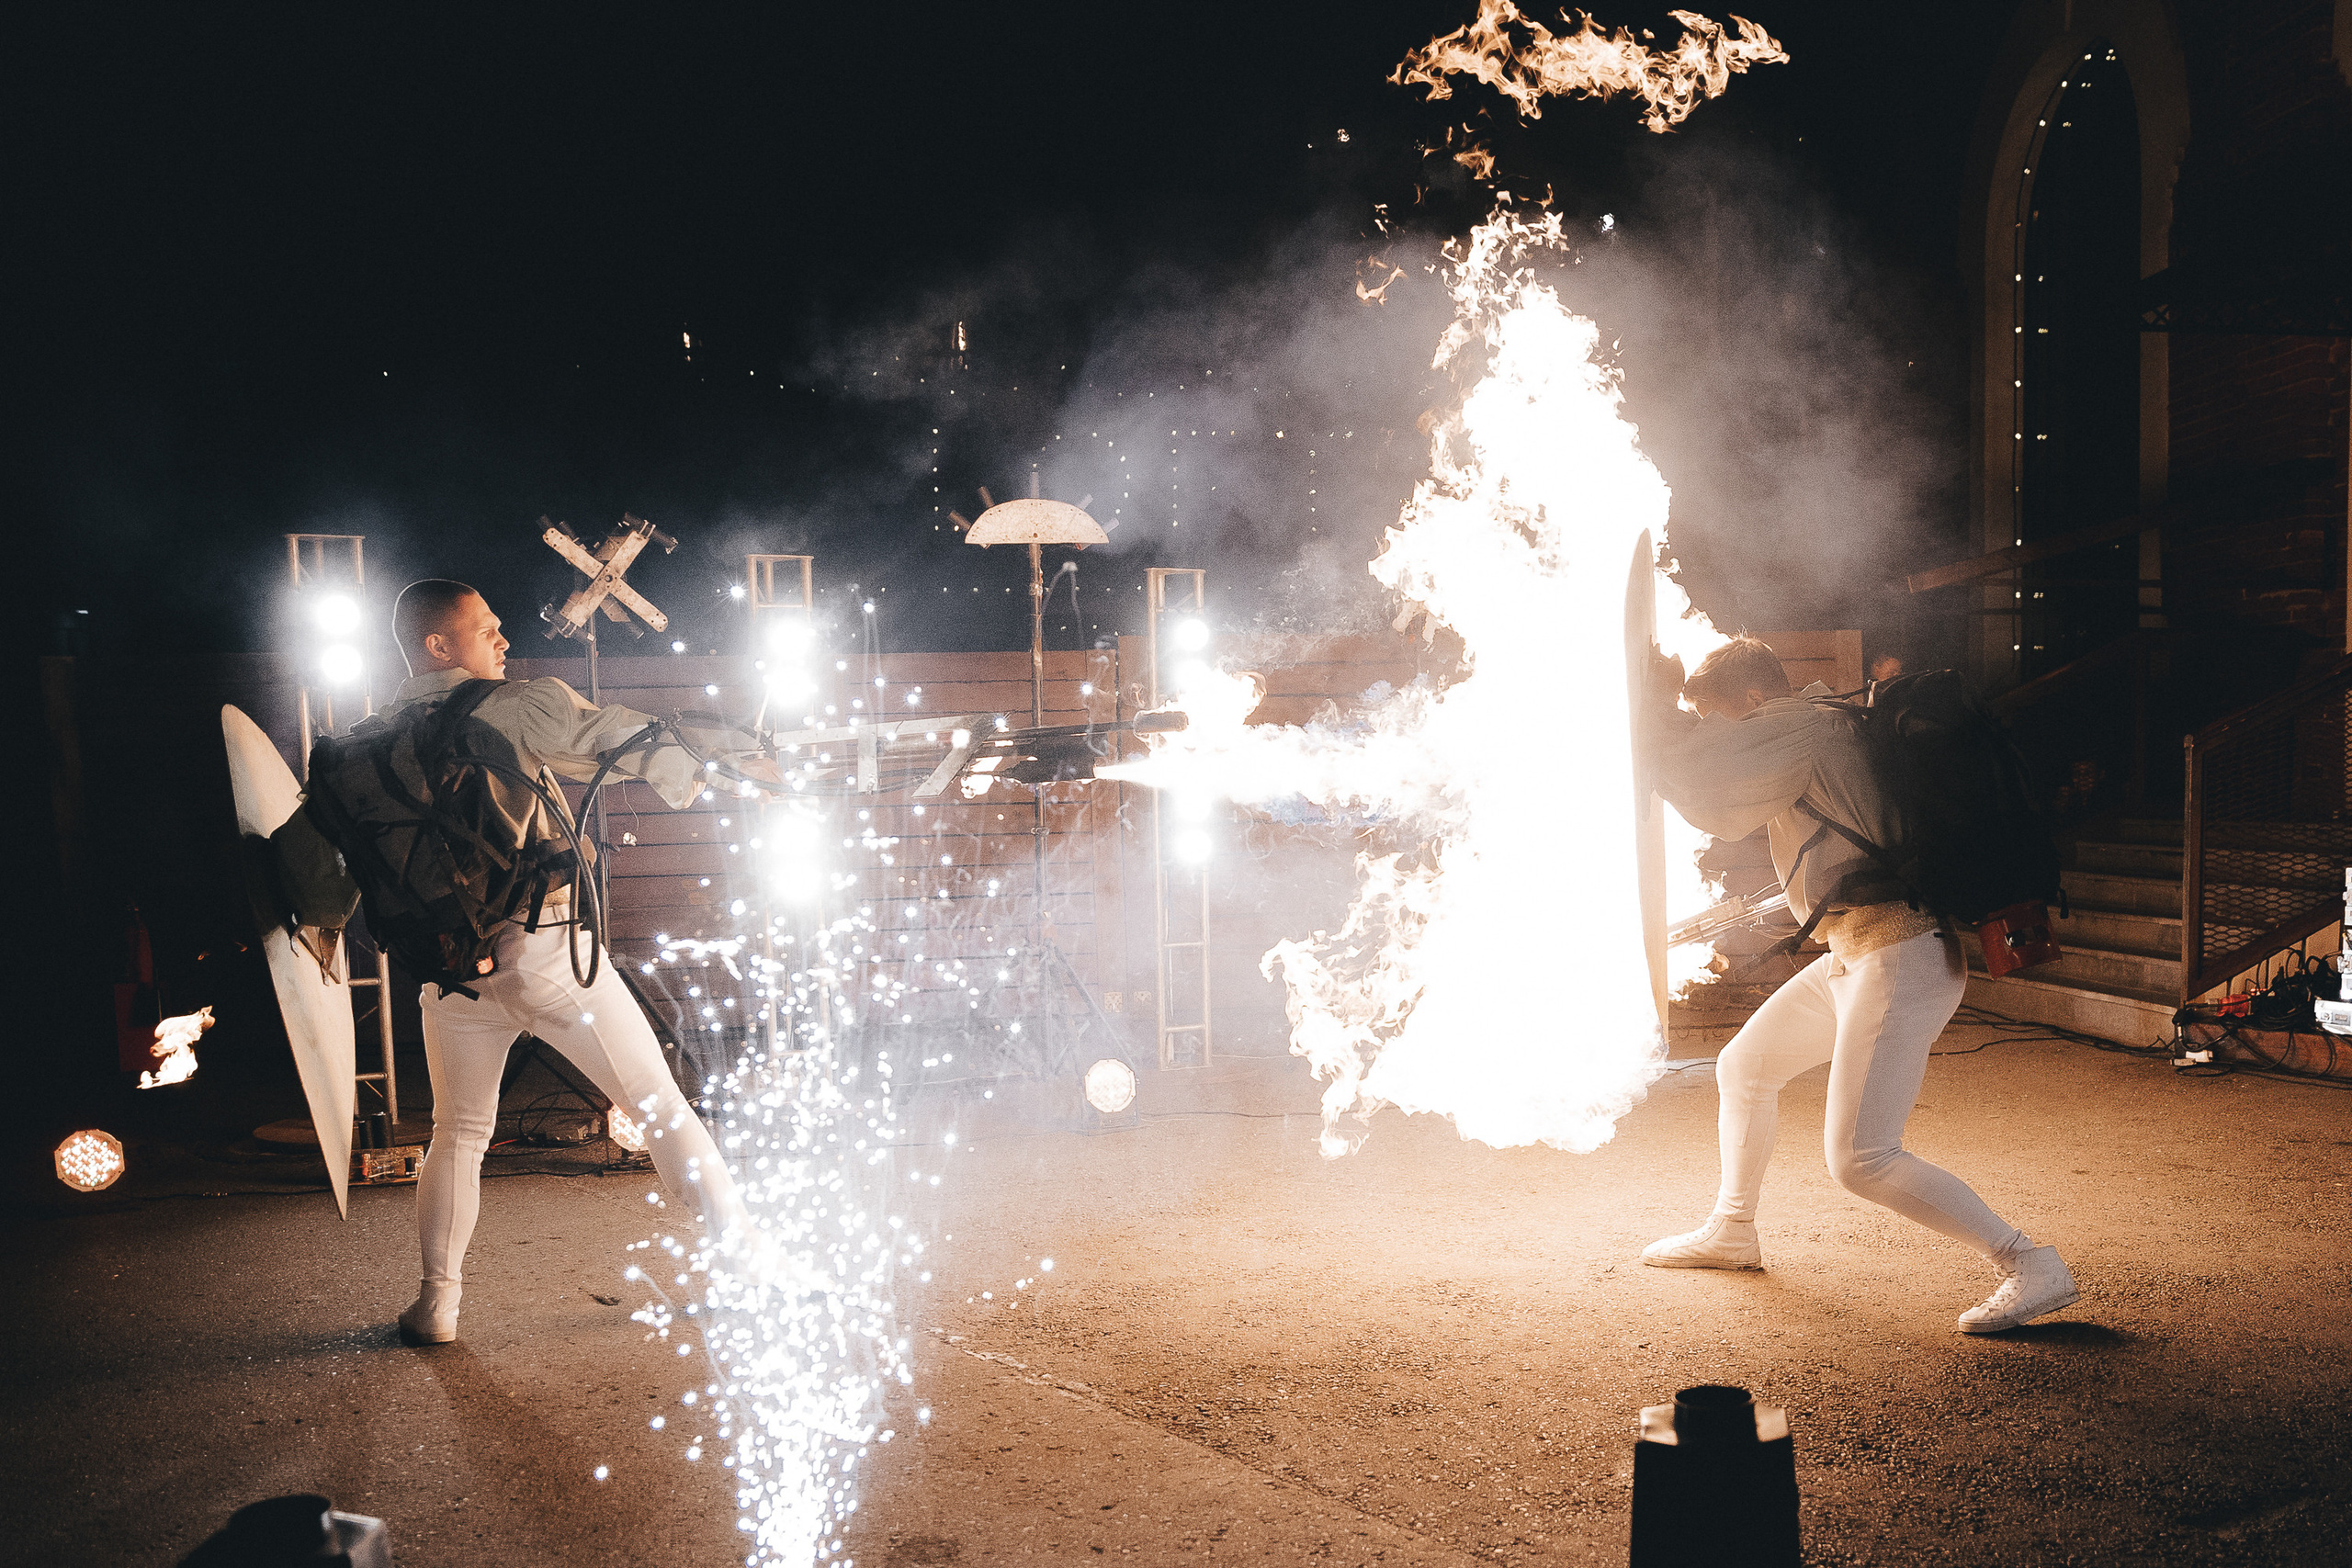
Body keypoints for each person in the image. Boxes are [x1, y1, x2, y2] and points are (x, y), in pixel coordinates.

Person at [367, 580, 766, 1345]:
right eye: (486, 628)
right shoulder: (510, 706)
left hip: (451, 971)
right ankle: (746, 1270)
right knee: (658, 1105)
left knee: (457, 1133)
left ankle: (437, 1305)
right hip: (547, 948)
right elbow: (614, 737)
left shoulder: (371, 736)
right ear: (438, 646)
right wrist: (730, 754)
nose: (503, 638)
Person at [1641, 636, 2077, 1334]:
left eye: (1724, 718)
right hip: (1861, 950)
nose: (1729, 734)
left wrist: (1657, 710)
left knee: (1862, 1158)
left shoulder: (1800, 725)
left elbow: (1709, 798)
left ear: (1754, 699)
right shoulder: (1826, 720)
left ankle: (2030, 1262)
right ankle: (1732, 1229)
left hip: (1898, 953)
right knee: (1745, 1066)